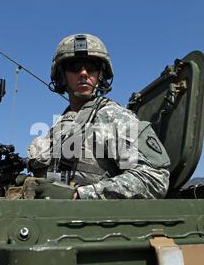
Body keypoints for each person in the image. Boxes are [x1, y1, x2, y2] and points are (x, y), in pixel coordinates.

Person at [26, 34, 170, 199]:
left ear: (100, 74)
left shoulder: (114, 117)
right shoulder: (62, 124)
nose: (84, 73)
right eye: (74, 66)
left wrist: (79, 195)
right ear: (61, 75)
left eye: (91, 66)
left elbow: (154, 179)